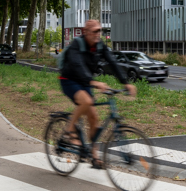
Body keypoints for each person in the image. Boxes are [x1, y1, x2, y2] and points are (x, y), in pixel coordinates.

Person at [58, 19, 136, 168]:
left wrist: (125, 82)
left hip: (84, 82)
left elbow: (113, 62)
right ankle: (69, 129)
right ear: (86, 32)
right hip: (68, 79)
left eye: (100, 31)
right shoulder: (77, 44)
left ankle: (94, 156)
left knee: (94, 117)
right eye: (95, 31)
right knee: (86, 101)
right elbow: (77, 65)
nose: (98, 34)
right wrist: (94, 82)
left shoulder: (100, 46)